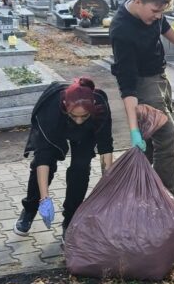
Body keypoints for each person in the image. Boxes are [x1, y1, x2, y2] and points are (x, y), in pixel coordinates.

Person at [108, 0, 174, 228]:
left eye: (162, 11)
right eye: (155, 11)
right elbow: (126, 86)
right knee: (168, 137)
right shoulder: (122, 31)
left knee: (149, 148)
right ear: (138, 2)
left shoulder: (150, 12)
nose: (158, 16)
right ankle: (167, 202)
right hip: (141, 85)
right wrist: (133, 130)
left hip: (159, 78)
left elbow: (164, 27)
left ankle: (140, 203)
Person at [14, 77, 114, 237]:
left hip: (86, 133)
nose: (79, 121)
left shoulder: (99, 106)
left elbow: (106, 146)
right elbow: (43, 158)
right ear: (66, 108)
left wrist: (108, 185)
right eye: (75, 116)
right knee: (44, 162)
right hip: (59, 124)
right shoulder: (51, 110)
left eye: (84, 116)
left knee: (81, 168)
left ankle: (70, 220)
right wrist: (44, 199)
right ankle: (29, 209)